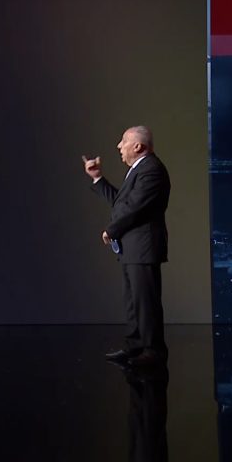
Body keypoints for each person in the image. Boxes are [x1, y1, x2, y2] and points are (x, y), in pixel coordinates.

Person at [82, 126, 170, 368]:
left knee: (146, 301)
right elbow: (122, 203)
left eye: (123, 141)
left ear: (138, 146)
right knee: (133, 301)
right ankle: (135, 347)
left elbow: (135, 208)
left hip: (143, 247)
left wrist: (111, 230)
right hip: (133, 248)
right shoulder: (138, 170)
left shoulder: (151, 170)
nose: (119, 146)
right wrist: (97, 178)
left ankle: (153, 351)